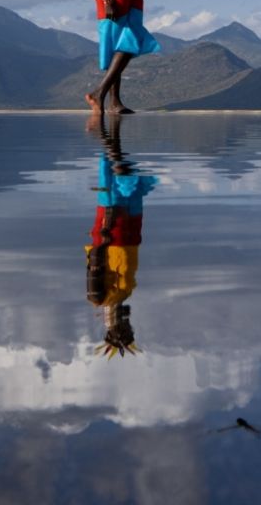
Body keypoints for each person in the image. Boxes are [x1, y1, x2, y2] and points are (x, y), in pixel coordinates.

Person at [85, 111, 157, 358]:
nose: (129, 324)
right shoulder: (123, 294)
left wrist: (105, 233)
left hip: (113, 235)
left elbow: (95, 265)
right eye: (130, 328)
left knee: (109, 176)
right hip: (129, 237)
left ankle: (103, 127)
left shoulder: (99, 297)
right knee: (125, 178)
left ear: (114, 325)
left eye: (125, 327)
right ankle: (109, 129)